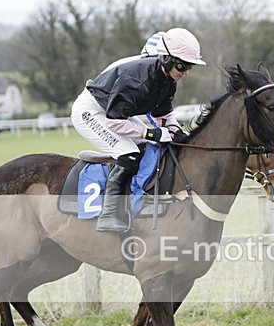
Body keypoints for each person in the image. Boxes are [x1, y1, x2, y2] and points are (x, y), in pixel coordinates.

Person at [70, 28, 205, 232]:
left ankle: (138, 201)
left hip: (114, 113)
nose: (186, 72)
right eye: (182, 66)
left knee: (151, 147)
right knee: (129, 154)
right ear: (166, 58)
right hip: (92, 112)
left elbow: (163, 115)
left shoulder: (168, 79)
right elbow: (115, 123)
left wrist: (177, 133)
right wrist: (151, 133)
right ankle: (109, 214)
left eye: (190, 67)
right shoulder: (136, 79)